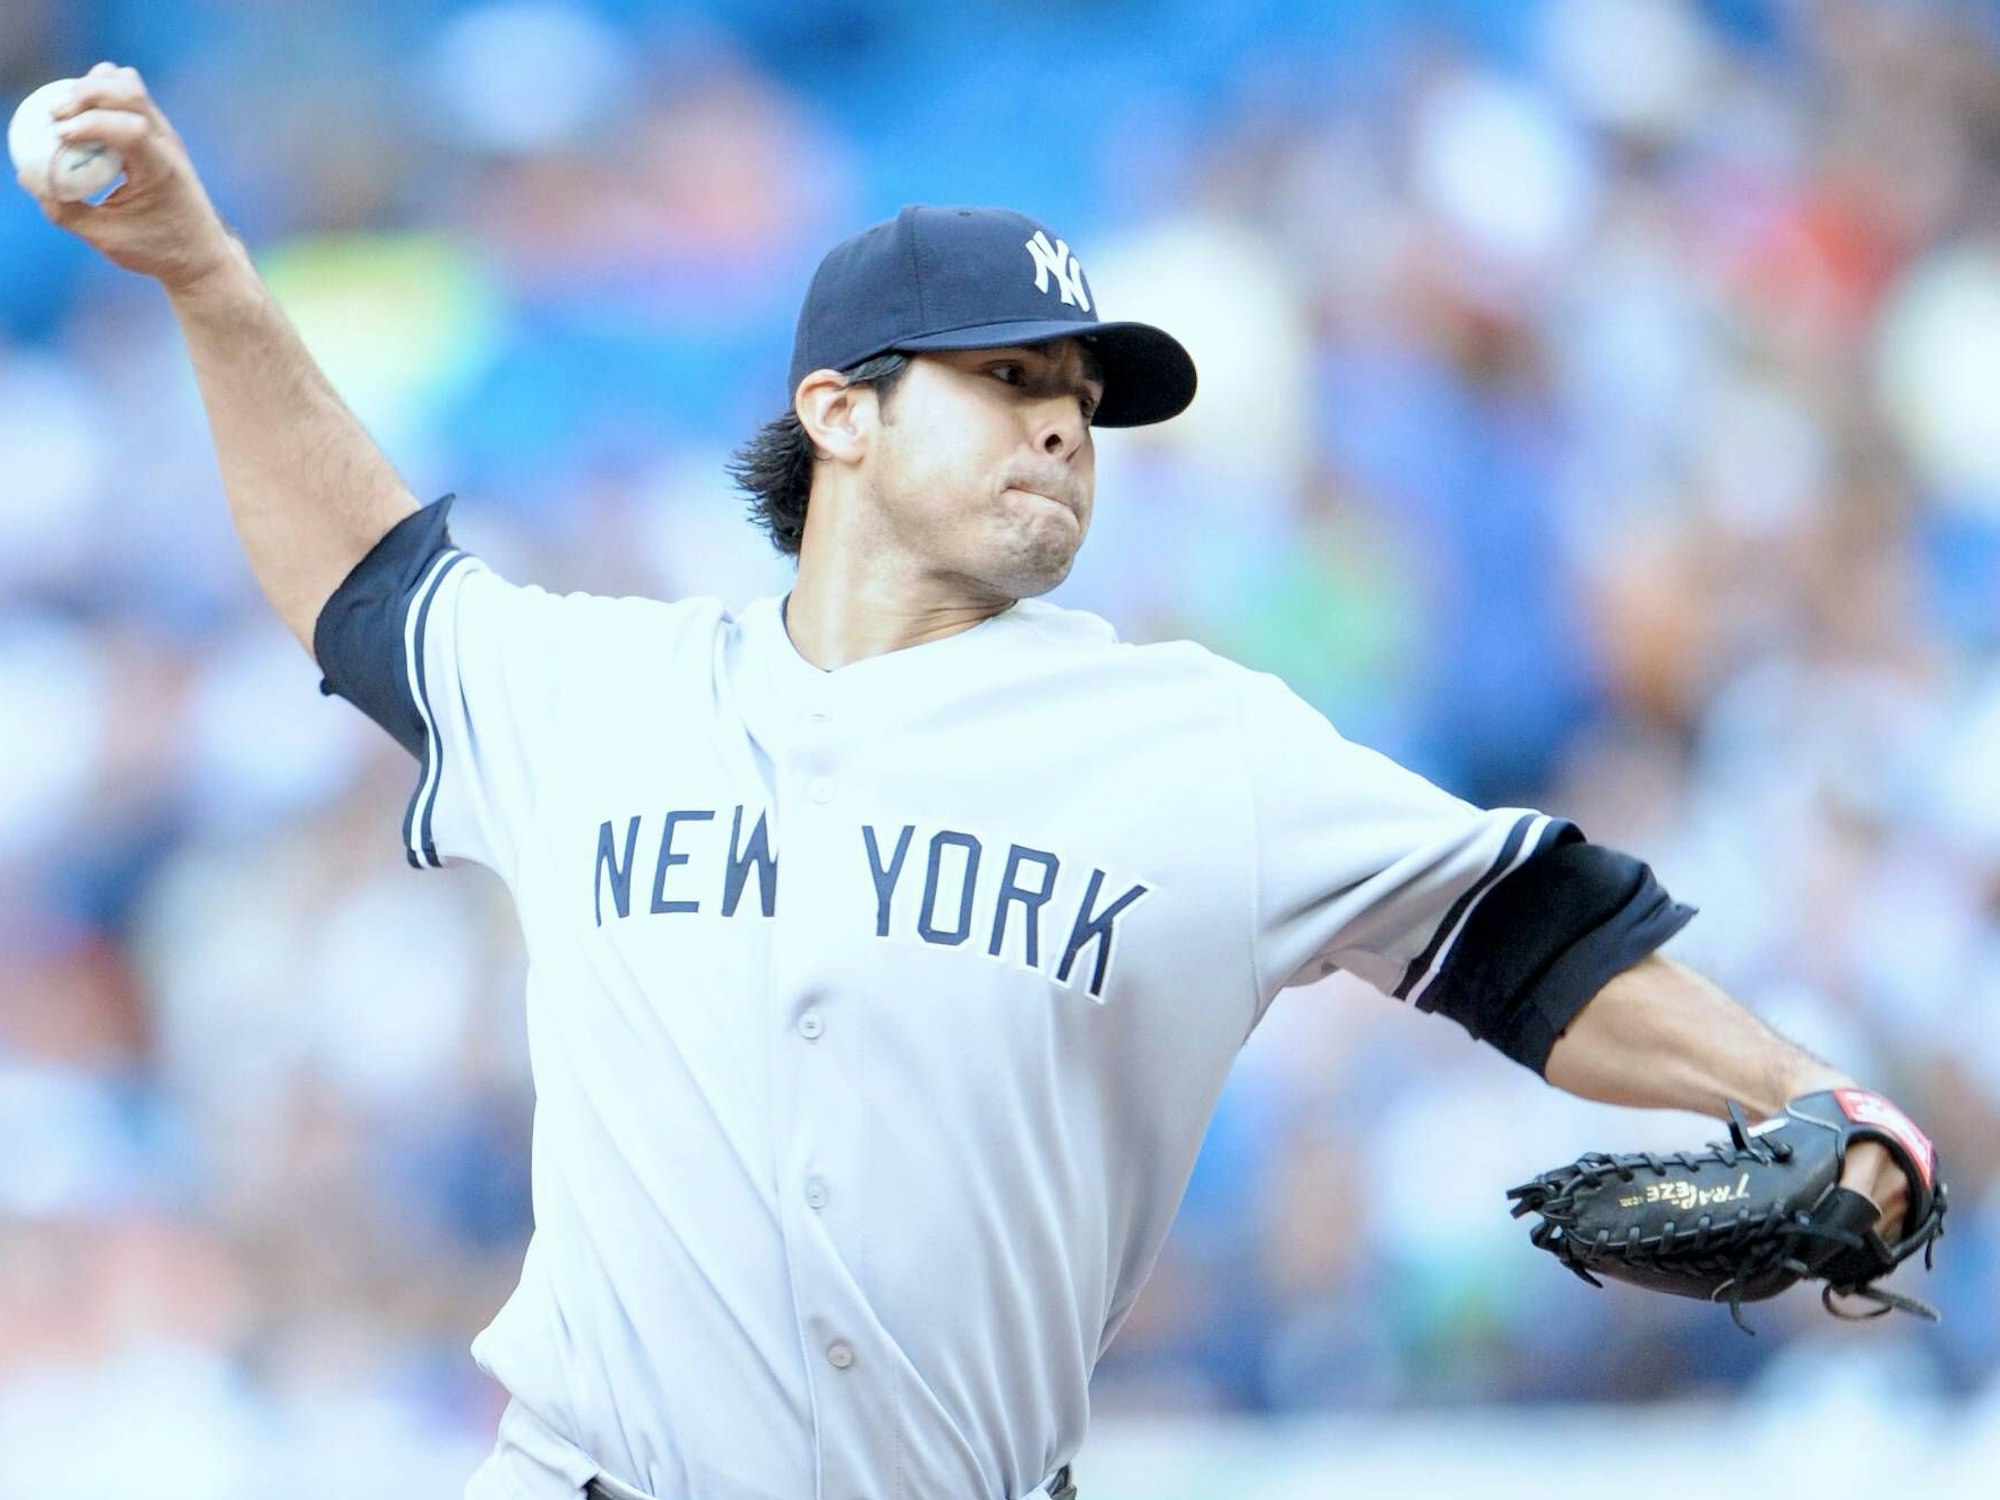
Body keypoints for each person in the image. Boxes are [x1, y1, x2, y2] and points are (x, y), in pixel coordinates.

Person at [29, 62, 1930, 1500]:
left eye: (1082, 396)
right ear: (837, 415)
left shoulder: (1201, 746)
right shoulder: (607, 689)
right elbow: (364, 589)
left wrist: (1805, 1090)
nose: (1059, 420)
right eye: (1004, 372)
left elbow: (1534, 929)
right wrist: (202, 273)